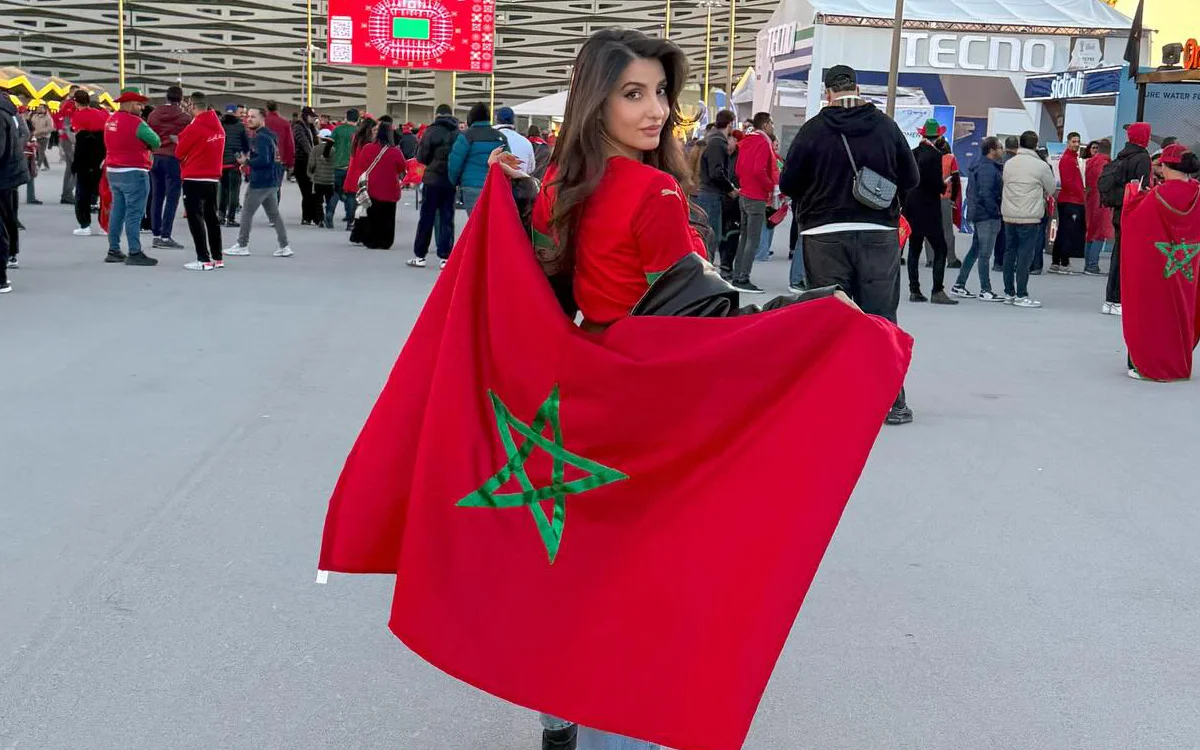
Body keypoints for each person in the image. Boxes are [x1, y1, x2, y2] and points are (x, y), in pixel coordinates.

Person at [780, 62, 920, 425]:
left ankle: (831, 398)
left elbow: (789, 182)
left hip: (822, 235)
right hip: (877, 233)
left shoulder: (813, 131)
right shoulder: (886, 127)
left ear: (827, 91)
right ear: (857, 87)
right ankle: (892, 401)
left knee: (830, 317)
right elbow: (911, 176)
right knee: (880, 316)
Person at [1120, 144, 1200, 381]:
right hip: (1188, 266)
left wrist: (1133, 195)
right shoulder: (1198, 193)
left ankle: (1148, 364)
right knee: (1181, 312)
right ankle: (1179, 363)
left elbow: (1134, 223)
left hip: (1157, 267)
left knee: (1153, 313)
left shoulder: (1156, 197)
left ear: (1165, 166)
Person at [104, 87, 161, 266]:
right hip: (134, 171)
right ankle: (135, 251)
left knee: (117, 212)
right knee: (134, 214)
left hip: (113, 171)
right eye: (139, 103)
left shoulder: (110, 120)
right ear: (128, 104)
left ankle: (113, 250)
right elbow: (156, 141)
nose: (142, 107)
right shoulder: (137, 123)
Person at [1101, 122, 1153, 317]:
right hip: (1133, 213)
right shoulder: (1142, 158)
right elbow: (1142, 189)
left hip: (1119, 211)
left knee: (1118, 254)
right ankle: (1118, 299)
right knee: (1127, 257)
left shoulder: (1123, 154)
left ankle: (1110, 299)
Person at [225, 108, 292, 258]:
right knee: (274, 214)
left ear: (262, 120)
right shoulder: (269, 136)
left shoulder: (260, 138)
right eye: (248, 116)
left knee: (247, 213)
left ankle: (242, 244)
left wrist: (246, 161)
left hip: (260, 181)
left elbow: (264, 159)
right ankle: (284, 245)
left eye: (253, 117)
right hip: (272, 180)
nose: (249, 119)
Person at [1000, 130, 1055, 308]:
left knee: (1009, 253)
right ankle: (1021, 294)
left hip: (1009, 214)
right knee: (1025, 255)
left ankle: (1009, 292)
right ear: (1036, 144)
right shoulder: (1040, 166)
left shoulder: (1009, 163)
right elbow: (1052, 188)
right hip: (1030, 215)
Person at [905, 120, 958, 304]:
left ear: (922, 135)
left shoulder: (913, 153)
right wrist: (944, 185)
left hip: (912, 207)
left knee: (914, 248)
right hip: (928, 207)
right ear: (940, 136)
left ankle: (914, 289)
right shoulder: (935, 156)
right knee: (940, 248)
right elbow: (935, 184)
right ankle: (937, 290)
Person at [950, 136, 1005, 300]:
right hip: (987, 215)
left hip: (979, 213)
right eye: (1000, 147)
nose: (1002, 150)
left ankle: (959, 284)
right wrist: (995, 212)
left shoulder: (979, 165)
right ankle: (985, 289)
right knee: (985, 253)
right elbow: (986, 193)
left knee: (975, 250)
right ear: (992, 150)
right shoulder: (988, 169)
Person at [176, 92, 225, 270]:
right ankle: (217, 257)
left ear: (192, 105)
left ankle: (203, 259)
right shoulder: (218, 127)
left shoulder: (193, 128)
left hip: (193, 177)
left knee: (196, 219)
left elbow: (179, 152)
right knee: (212, 218)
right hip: (212, 178)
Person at [729, 111, 776, 293]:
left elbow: (739, 169)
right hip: (756, 196)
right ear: (765, 125)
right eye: (771, 123)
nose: (772, 126)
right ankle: (743, 278)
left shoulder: (747, 141)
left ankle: (736, 275)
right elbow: (759, 170)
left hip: (744, 193)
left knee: (744, 237)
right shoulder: (763, 142)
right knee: (753, 240)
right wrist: (770, 186)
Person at [409, 104, 459, 267]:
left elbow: (421, 156)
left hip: (432, 179)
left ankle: (420, 255)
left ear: (437, 115)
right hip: (449, 180)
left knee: (426, 217)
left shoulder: (430, 131)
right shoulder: (457, 133)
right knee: (447, 217)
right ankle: (445, 256)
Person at [344, 122, 407, 250]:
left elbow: (362, 165)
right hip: (389, 189)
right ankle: (385, 241)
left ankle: (372, 239)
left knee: (373, 214)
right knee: (388, 216)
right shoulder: (395, 151)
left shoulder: (367, 148)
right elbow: (402, 166)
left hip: (372, 188)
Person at [147, 85, 193, 249]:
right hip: (173, 158)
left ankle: (156, 234)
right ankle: (166, 236)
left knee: (156, 196)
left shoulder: (154, 114)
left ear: (166, 97)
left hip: (156, 156)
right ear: (181, 99)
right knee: (172, 198)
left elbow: (149, 133)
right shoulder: (185, 117)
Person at [694, 109, 738, 265]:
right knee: (711, 236)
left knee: (704, 234)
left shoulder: (709, 138)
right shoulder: (718, 142)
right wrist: (730, 189)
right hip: (711, 194)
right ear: (730, 123)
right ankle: (707, 269)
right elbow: (716, 172)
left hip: (703, 191)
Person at [448, 102, 505, 216]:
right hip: (495, 187)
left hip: (472, 187)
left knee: (476, 224)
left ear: (471, 118)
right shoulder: (500, 137)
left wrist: (454, 183)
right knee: (492, 224)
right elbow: (508, 162)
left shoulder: (466, 136)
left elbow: (454, 164)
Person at [69, 90, 108, 237]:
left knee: (82, 194)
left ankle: (85, 225)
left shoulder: (77, 116)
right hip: (100, 157)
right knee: (102, 194)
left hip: (85, 159)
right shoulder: (102, 113)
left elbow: (78, 138)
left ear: (76, 102)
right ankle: (104, 226)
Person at [1050, 131, 1086, 274]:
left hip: (1071, 199)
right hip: (1071, 200)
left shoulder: (1072, 158)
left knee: (1063, 231)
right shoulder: (1068, 159)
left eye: (1078, 141)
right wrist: (1080, 193)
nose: (1076, 144)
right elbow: (1068, 182)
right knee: (1068, 232)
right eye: (1073, 141)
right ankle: (1064, 263)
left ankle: (1056, 262)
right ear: (1068, 142)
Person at [0, 93, 25, 292]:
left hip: (4, 174)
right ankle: (10, 255)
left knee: (3, 222)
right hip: (8, 173)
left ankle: (1, 276)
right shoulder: (7, 111)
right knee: (7, 217)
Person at [1083, 138, 1114, 275]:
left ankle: (1087, 264)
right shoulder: (1106, 164)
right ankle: (1092, 265)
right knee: (1100, 233)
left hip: (1090, 198)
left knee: (1090, 232)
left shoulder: (1090, 161)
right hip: (1101, 200)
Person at [219, 104, 251, 226]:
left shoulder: (220, 125)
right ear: (236, 113)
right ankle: (230, 218)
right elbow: (246, 145)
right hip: (234, 163)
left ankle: (221, 216)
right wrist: (242, 157)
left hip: (221, 164)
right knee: (234, 192)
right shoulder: (240, 126)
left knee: (222, 191)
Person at [263, 101, 297, 205]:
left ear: (267, 109)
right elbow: (289, 144)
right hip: (279, 159)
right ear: (277, 109)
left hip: (263, 159)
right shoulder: (284, 122)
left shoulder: (263, 121)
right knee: (276, 186)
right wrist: (291, 163)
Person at [332, 108, 360, 228]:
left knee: (335, 192)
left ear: (346, 117)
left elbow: (330, 144)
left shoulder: (337, 129)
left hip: (337, 166)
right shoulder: (359, 132)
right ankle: (350, 221)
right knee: (351, 195)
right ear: (357, 119)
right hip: (352, 168)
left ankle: (329, 213)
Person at [293, 106, 321, 225]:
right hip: (302, 162)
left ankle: (312, 217)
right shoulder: (298, 127)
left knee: (311, 190)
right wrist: (313, 156)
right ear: (306, 116)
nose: (313, 119)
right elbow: (304, 143)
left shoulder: (310, 127)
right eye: (312, 117)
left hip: (309, 161)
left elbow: (314, 143)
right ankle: (307, 217)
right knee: (307, 191)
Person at [308, 128, 338, 228]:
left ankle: (320, 219)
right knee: (330, 200)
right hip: (330, 180)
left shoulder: (315, 149)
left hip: (318, 180)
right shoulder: (334, 150)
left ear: (320, 138)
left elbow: (311, 165)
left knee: (318, 201)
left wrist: (311, 174)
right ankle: (329, 215)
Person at [493, 106, 535, 175]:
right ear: (513, 120)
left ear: (496, 119)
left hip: (496, 182)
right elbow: (531, 168)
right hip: (520, 182)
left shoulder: (489, 139)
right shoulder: (526, 142)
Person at [29, 104, 53, 172]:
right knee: (40, 152)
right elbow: (31, 125)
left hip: (44, 137)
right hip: (35, 136)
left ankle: (38, 166)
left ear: (45, 110)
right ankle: (47, 166)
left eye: (41, 108)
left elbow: (50, 128)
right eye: (38, 108)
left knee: (41, 152)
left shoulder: (48, 118)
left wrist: (40, 131)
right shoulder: (34, 116)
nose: (39, 109)